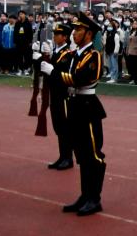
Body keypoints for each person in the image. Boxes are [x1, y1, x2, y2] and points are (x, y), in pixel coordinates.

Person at [38, 11, 106, 216]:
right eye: (74, 29)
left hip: (88, 106)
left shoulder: (93, 56)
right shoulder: (76, 55)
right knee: (82, 156)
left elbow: (79, 78)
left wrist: (52, 71)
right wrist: (42, 59)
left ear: (89, 33)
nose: (74, 33)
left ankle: (94, 199)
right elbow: (61, 74)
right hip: (75, 105)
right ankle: (85, 196)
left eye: (79, 30)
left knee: (93, 155)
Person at [39, 22, 75, 170]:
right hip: (54, 93)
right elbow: (45, 70)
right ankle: (62, 156)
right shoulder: (56, 52)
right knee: (58, 126)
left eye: (57, 34)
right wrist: (40, 57)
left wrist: (51, 68)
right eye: (54, 34)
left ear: (65, 37)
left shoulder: (67, 54)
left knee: (65, 126)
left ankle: (68, 158)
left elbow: (63, 74)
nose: (54, 36)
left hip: (63, 94)